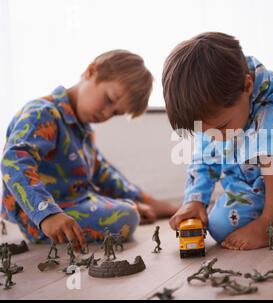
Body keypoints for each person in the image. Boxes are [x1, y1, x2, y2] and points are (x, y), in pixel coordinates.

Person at [163, 32, 273, 258]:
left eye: (221, 127)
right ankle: (267, 222)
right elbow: (203, 158)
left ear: (247, 85)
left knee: (271, 118)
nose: (216, 137)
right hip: (250, 195)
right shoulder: (215, 112)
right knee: (217, 226)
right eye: (205, 132)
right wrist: (194, 200)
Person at [1, 50, 178, 250]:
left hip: (77, 201)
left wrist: (144, 199)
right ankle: (135, 206)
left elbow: (104, 174)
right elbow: (13, 161)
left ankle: (146, 203)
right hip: (42, 216)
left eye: (116, 113)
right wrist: (47, 214)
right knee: (128, 215)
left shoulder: (83, 129)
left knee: (128, 206)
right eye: (109, 99)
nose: (106, 114)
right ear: (91, 71)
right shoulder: (43, 113)